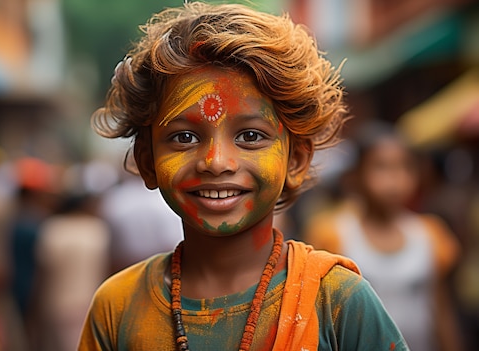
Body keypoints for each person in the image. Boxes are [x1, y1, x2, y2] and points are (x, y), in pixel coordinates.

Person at [78, 2, 407, 350]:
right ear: (147, 162)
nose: (216, 162)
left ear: (295, 160)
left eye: (250, 136)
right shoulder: (117, 307)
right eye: (184, 137)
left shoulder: (336, 301)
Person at [304, 121, 464, 351]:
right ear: (356, 175)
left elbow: (441, 311)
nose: (394, 180)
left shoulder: (430, 234)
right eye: (381, 167)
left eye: (404, 167)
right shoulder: (332, 235)